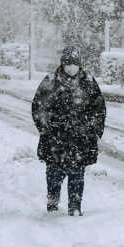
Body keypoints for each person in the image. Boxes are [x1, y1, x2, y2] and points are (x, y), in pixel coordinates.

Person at [31, 45, 106, 216]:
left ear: (79, 64)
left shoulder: (88, 82)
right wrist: (46, 128)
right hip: (55, 139)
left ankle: (75, 205)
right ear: (62, 64)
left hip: (80, 140)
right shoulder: (50, 81)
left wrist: (93, 130)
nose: (71, 66)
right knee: (54, 173)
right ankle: (52, 202)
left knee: (77, 175)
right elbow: (38, 107)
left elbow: (99, 109)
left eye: (74, 63)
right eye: (68, 63)